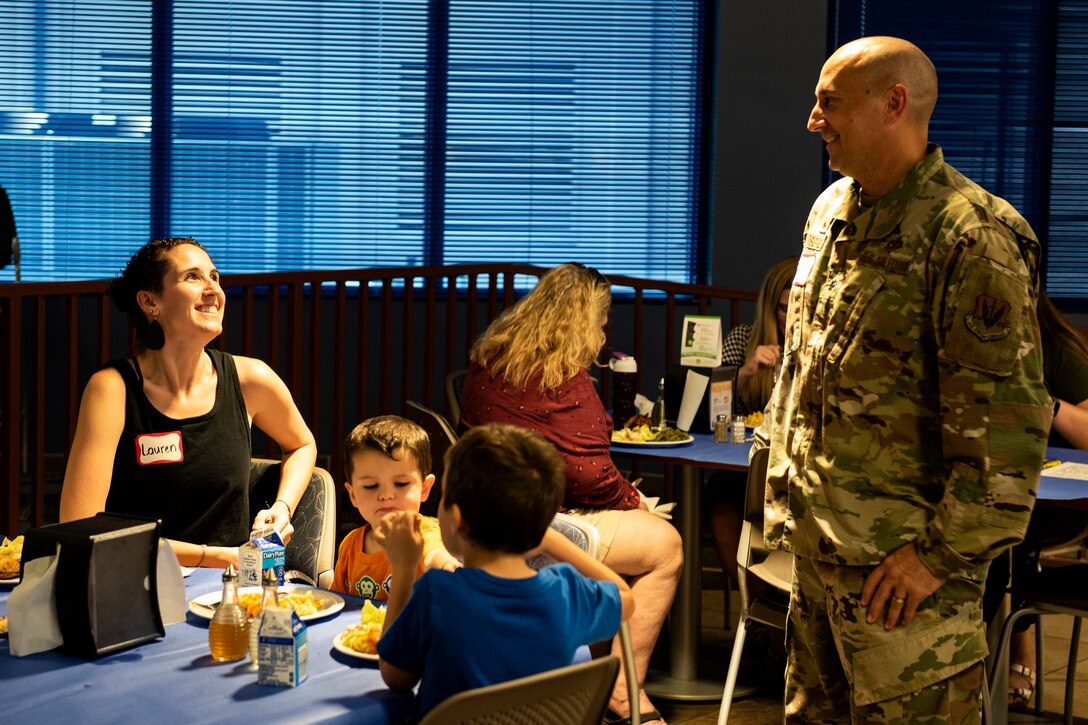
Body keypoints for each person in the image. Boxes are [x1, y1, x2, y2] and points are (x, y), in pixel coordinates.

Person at [760, 37, 1052, 722]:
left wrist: (936, 556)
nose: (813, 120)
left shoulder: (970, 235)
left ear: (894, 103)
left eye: (828, 102)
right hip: (818, 564)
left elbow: (1007, 435)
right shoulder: (831, 211)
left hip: (907, 593)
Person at [458, 262, 681, 724]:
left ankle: (593, 690)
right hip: (542, 522)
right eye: (602, 319)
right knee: (666, 546)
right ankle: (624, 692)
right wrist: (633, 499)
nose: (604, 329)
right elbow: (590, 476)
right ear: (585, 319)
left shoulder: (491, 358)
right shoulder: (565, 376)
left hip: (485, 512)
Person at [59, 237, 317, 568]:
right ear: (150, 301)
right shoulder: (112, 389)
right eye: (192, 277)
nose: (213, 290)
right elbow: (79, 524)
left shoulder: (251, 379)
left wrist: (282, 506)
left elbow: (302, 444)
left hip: (230, 593)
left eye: (215, 277)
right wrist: (214, 557)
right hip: (137, 583)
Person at [376, 423, 634, 723]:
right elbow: (626, 599)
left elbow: (394, 676)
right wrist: (550, 537)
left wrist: (405, 568)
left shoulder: (437, 594)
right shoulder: (567, 592)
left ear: (456, 519)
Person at [981, 290, 1088, 710]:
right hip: (991, 493)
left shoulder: (1055, 347)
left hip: (1057, 507)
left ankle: (972, 676)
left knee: (988, 546)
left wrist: (1044, 403)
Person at [709, 256, 798, 592]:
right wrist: (746, 371)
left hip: (794, 471)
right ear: (769, 307)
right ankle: (753, 600)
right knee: (720, 492)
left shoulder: (819, 349)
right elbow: (713, 408)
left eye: (798, 308)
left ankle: (786, 602)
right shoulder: (742, 338)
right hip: (745, 471)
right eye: (783, 308)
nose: (790, 317)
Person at [331, 415, 459, 599]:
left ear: (425, 488)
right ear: (352, 495)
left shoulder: (424, 534)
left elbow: (434, 555)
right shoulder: (350, 544)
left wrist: (447, 566)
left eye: (401, 483)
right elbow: (338, 602)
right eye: (371, 486)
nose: (386, 495)